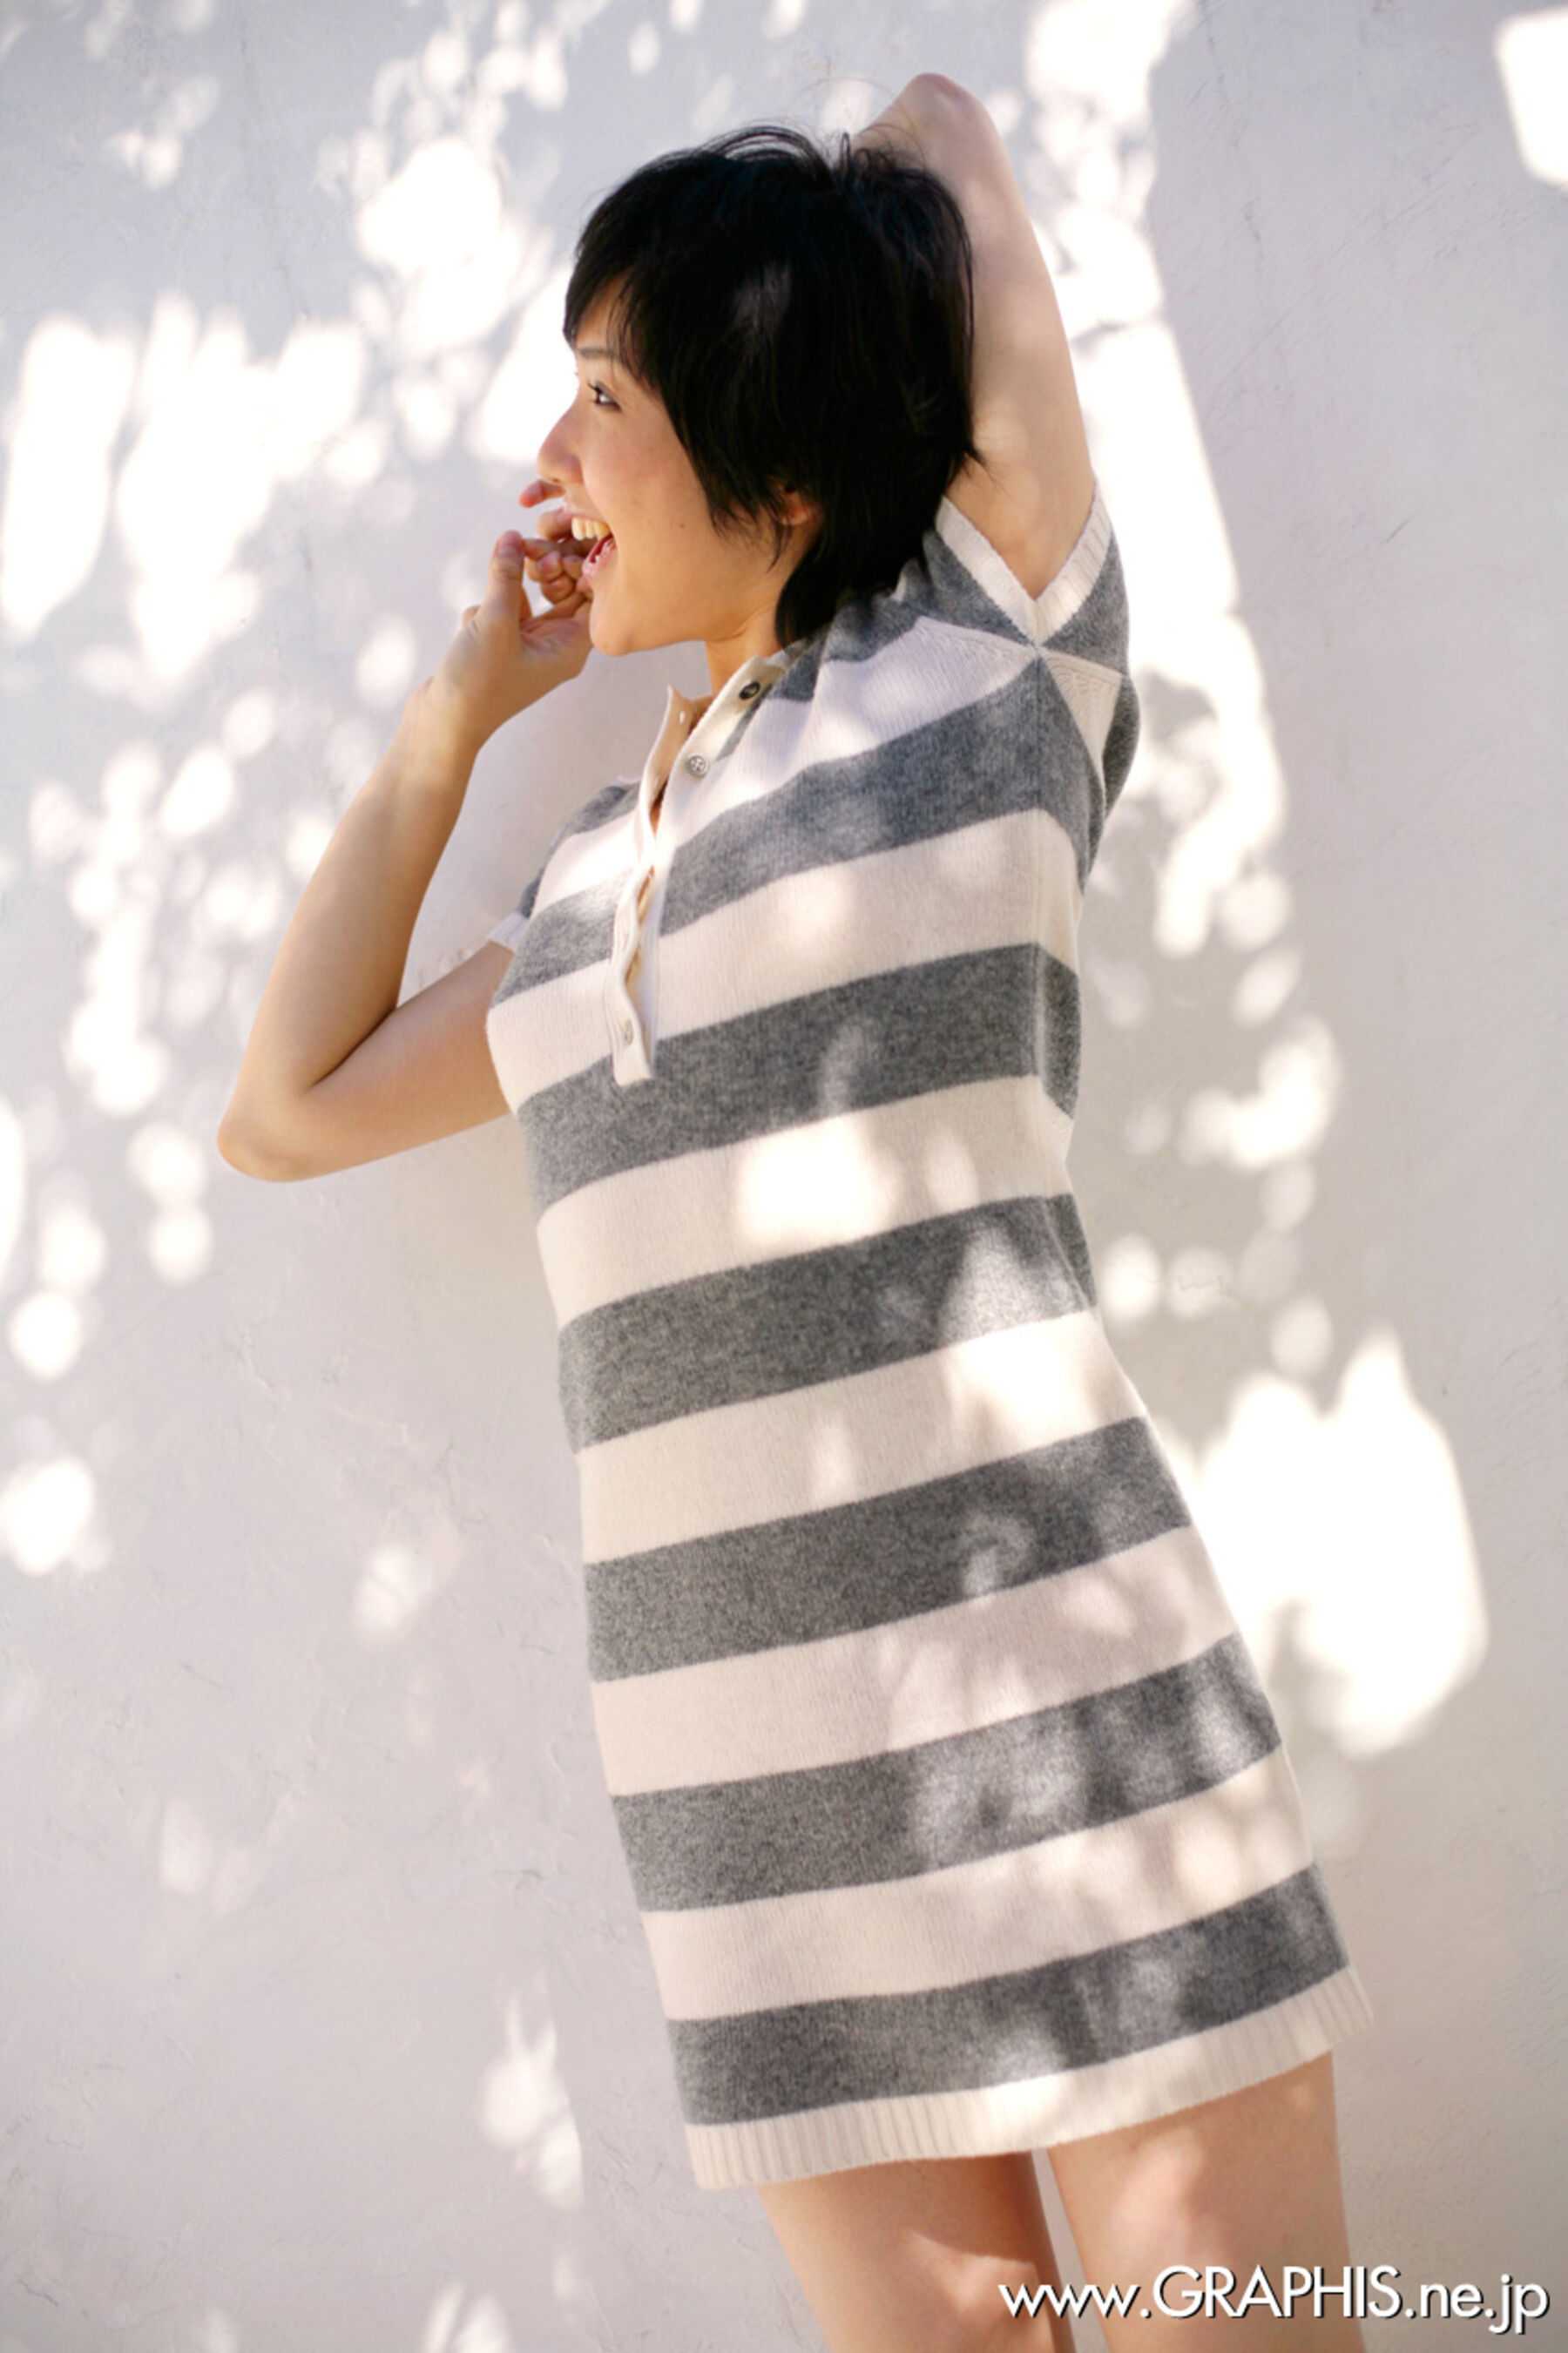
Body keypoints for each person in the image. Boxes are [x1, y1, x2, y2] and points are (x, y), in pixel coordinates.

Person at [219, 74, 1375, 2353]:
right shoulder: (581, 904)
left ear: (774, 441)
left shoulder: (991, 658)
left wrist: (815, 264)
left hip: (1077, 1744)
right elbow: (285, 1109)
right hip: (748, 1824)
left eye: (604, 396)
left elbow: (945, 129)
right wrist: (469, 703)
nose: (549, 455)